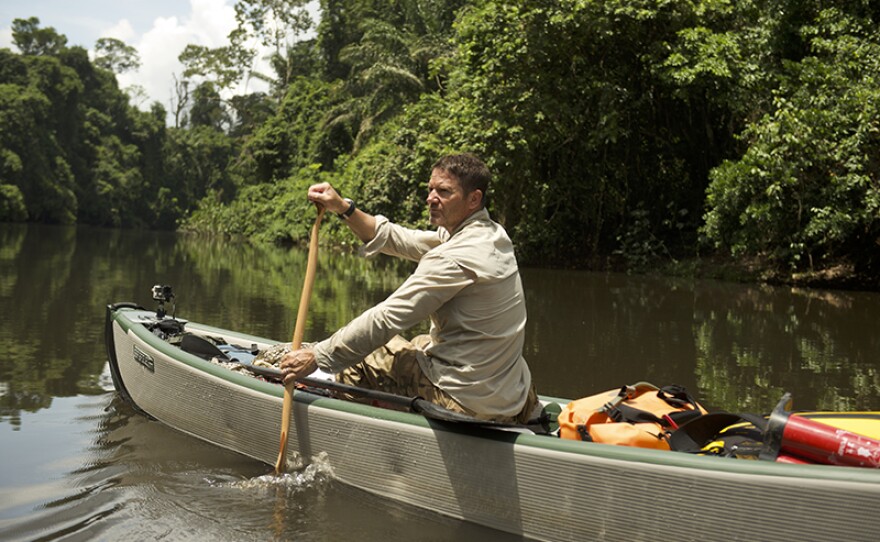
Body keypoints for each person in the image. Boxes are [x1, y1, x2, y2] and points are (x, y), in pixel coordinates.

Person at [279, 153, 536, 423]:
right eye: (430, 189)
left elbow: (386, 318)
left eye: (444, 191)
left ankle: (365, 440)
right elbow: (399, 239)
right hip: (513, 395)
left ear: (473, 199)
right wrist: (343, 208)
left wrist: (317, 356)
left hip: (468, 402)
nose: (430, 198)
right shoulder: (492, 234)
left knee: (367, 354)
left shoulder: (454, 256)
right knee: (421, 343)